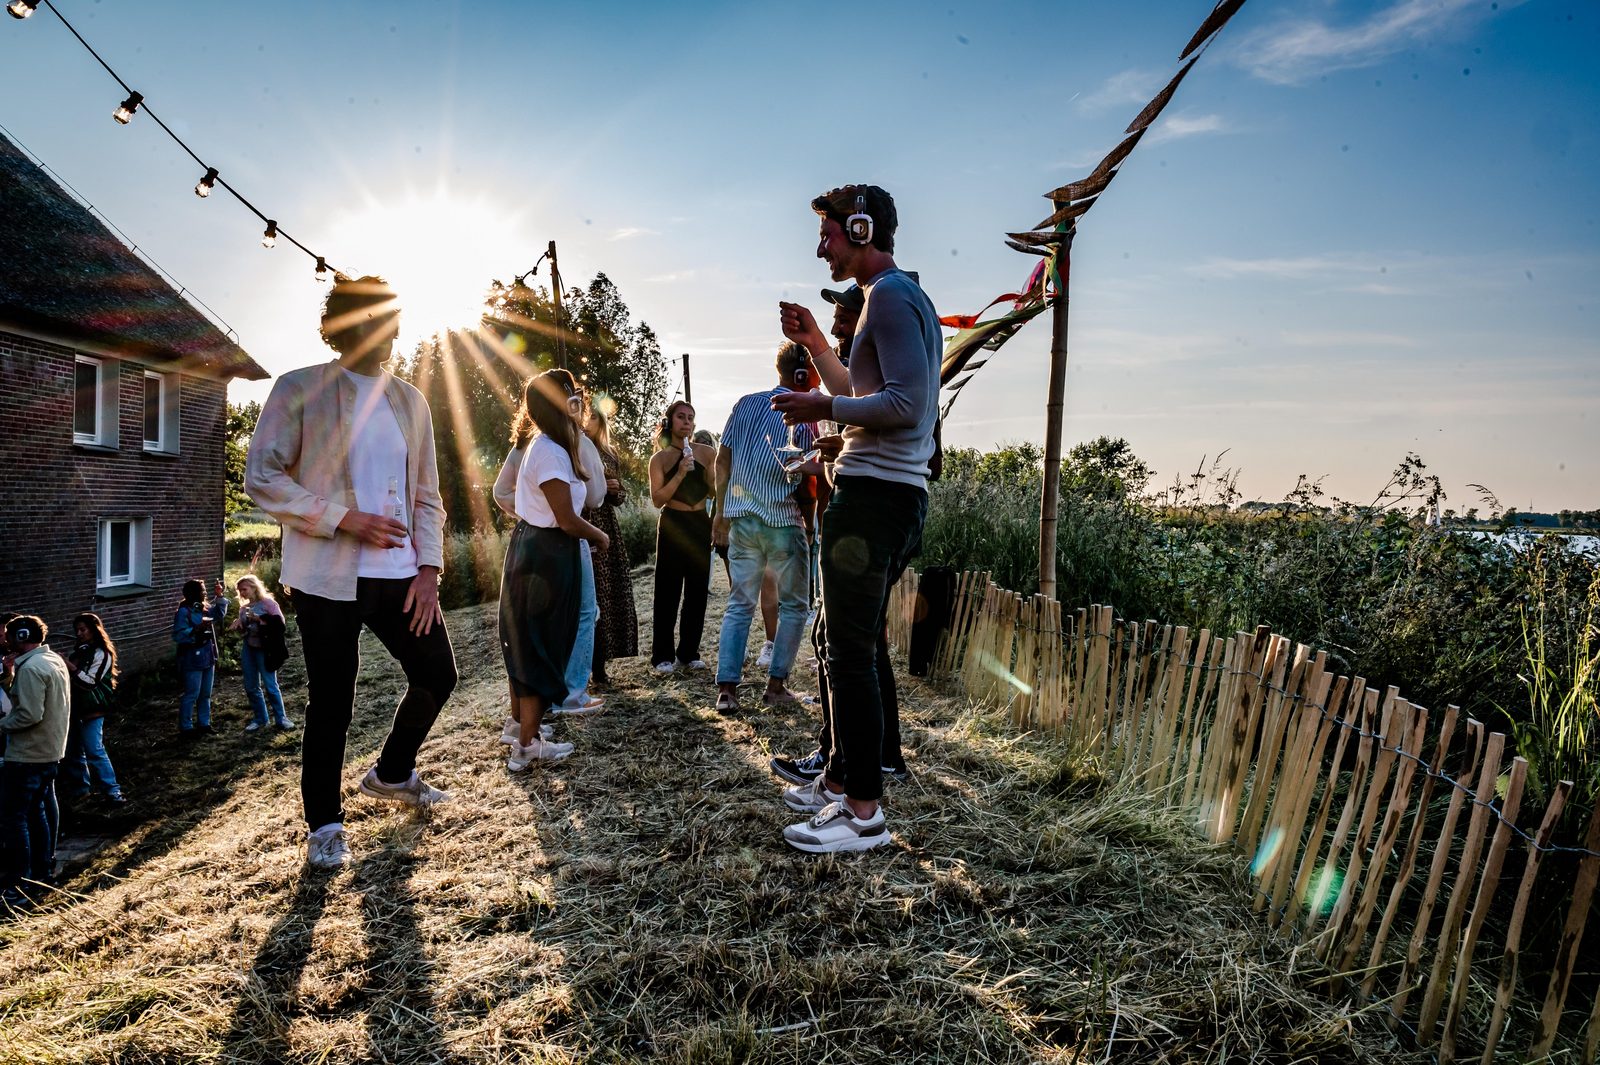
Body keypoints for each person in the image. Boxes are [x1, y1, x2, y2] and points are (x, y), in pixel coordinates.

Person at [245, 274, 458, 871]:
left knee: (438, 674)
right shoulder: (300, 388)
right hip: (326, 578)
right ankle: (325, 827)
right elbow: (262, 476)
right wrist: (343, 519)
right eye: (383, 318)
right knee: (332, 703)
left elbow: (428, 496)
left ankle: (391, 773)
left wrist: (430, 570)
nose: (394, 331)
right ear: (350, 323)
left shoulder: (411, 401)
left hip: (401, 574)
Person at [773, 184, 941, 854]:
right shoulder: (890, 299)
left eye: (830, 234)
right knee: (852, 647)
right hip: (882, 496)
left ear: (863, 229)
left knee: (848, 652)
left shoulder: (893, 296)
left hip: (876, 499)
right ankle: (843, 789)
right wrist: (817, 343)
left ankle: (862, 811)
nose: (822, 247)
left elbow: (906, 403)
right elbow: (862, 390)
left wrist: (822, 413)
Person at [770, 281, 910, 788]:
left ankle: (856, 775)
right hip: (850, 509)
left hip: (873, 513)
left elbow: (917, 435)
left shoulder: (897, 365)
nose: (837, 326)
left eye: (845, 318)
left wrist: (828, 413)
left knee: (853, 645)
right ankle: (843, 760)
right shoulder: (861, 381)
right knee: (843, 639)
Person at [496, 371, 609, 770]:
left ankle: (522, 730)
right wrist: (600, 536)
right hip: (545, 553)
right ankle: (526, 745)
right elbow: (565, 517)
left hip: (543, 550)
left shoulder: (556, 446)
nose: (579, 401)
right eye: (572, 395)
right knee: (538, 644)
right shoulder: (548, 450)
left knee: (534, 642)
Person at [711, 341, 817, 712]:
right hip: (783, 519)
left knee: (739, 604)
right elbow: (804, 476)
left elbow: (722, 462)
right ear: (806, 373)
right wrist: (809, 525)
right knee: (793, 605)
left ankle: (727, 691)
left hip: (741, 519)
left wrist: (720, 513)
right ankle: (775, 686)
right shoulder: (804, 412)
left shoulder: (744, 404)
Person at [0, 615, 70, 911]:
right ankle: (42, 875)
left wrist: (2, 724)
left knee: (14, 819)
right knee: (37, 814)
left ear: (21, 636)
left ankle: (20, 884)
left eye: (9, 636)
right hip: (50, 752)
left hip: (27, 755)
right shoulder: (51, 660)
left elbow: (28, 714)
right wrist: (9, 675)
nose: (5, 642)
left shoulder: (32, 669)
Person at [548, 369, 606, 716]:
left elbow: (501, 492)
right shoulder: (573, 441)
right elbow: (597, 496)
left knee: (549, 618)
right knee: (585, 613)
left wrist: (528, 513)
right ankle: (572, 694)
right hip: (571, 534)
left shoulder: (527, 441)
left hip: (533, 536)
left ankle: (550, 695)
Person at [647, 401, 715, 673]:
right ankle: (662, 656)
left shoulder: (707, 452)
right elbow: (657, 499)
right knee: (668, 590)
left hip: (699, 521)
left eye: (690, 418)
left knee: (697, 591)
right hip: (673, 522)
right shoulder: (659, 459)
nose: (686, 422)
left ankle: (688, 652)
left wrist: (711, 478)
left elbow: (713, 492)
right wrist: (680, 473)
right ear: (669, 422)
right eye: (680, 417)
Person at [582, 405, 639, 686]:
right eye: (586, 415)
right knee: (587, 595)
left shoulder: (609, 454)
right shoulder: (572, 447)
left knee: (608, 593)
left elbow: (621, 495)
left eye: (594, 415)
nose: (588, 420)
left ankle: (601, 666)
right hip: (581, 522)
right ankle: (584, 664)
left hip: (606, 526)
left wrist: (616, 490)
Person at [63, 612, 125, 805]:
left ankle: (113, 790)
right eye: (77, 630)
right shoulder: (78, 652)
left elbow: (90, 683)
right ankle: (81, 790)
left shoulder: (102, 653)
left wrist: (70, 668)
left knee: (94, 749)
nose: (79, 633)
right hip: (74, 708)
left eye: (83, 629)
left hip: (93, 707)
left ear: (94, 630)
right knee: (74, 751)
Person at [231, 575, 294, 731]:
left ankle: (281, 719)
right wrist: (239, 624)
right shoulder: (243, 608)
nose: (242, 593)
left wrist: (259, 619)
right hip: (249, 647)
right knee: (251, 686)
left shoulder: (268, 604)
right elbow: (246, 630)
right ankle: (260, 719)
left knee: (270, 685)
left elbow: (280, 625)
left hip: (265, 649)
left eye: (244, 589)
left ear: (254, 587)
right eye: (240, 591)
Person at [172, 578, 230, 735]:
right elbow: (178, 635)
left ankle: (204, 724)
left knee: (205, 693)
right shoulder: (184, 611)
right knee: (192, 693)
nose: (205, 592)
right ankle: (186, 727)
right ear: (193, 593)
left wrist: (219, 596)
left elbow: (219, 614)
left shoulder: (203, 607)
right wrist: (196, 629)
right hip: (192, 656)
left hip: (207, 654)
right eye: (202, 590)